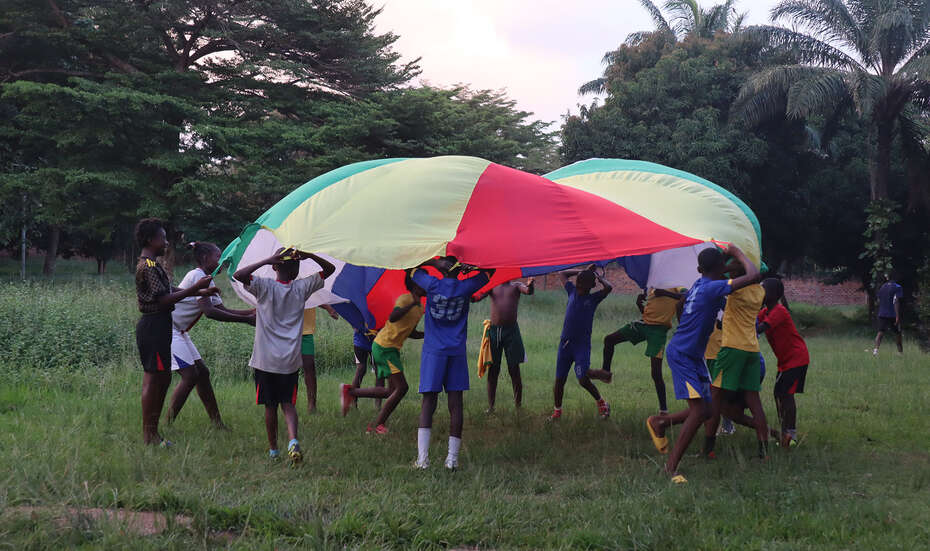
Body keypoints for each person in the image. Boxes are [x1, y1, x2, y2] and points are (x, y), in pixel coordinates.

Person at [645, 245, 760, 483]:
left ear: (700, 269)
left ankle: (660, 422)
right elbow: (753, 276)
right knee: (699, 412)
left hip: (692, 354)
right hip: (682, 354)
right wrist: (737, 252)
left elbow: (682, 302)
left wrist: (723, 256)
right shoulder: (713, 288)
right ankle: (670, 468)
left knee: (708, 410)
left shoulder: (699, 283)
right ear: (720, 269)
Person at [234, 248, 334, 463]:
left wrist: (267, 259)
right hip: (290, 361)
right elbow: (330, 269)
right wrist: (311, 255)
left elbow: (239, 275)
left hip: (265, 360)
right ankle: (293, 440)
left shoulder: (263, 286)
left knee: (270, 406)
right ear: (297, 269)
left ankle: (273, 450)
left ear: (275, 267)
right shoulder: (301, 288)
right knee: (288, 403)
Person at [134, 219, 215, 445]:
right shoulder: (147, 267)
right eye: (163, 238)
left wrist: (199, 290)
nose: (166, 242)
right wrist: (195, 289)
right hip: (153, 326)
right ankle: (149, 434)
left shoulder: (154, 264)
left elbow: (169, 290)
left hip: (160, 326)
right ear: (151, 240)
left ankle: (154, 432)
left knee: (163, 378)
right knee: (153, 379)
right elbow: (164, 299)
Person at [411, 257, 495, 470]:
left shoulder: (431, 283)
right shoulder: (467, 286)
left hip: (433, 351)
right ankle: (452, 460)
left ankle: (422, 459)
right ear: (459, 270)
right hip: (456, 351)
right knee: (455, 404)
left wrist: (432, 262)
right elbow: (490, 269)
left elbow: (408, 267)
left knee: (428, 403)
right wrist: (473, 265)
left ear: (443, 268)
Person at [166, 241, 256, 428]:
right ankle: (167, 423)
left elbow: (222, 309)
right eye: (218, 256)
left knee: (203, 374)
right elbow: (210, 312)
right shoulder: (196, 276)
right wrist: (247, 319)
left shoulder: (207, 279)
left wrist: (252, 312)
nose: (221, 260)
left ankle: (217, 423)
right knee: (190, 376)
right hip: (168, 330)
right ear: (206, 258)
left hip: (180, 331)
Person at [340, 273, 426, 433]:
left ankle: (350, 391)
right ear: (415, 285)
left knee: (390, 391)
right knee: (402, 388)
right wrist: (411, 305)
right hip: (384, 347)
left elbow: (410, 331)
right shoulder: (405, 300)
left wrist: (425, 335)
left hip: (391, 348)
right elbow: (393, 318)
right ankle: (376, 425)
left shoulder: (420, 308)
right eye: (425, 281)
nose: (428, 284)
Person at [701, 260, 768, 461]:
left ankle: (708, 449)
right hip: (752, 350)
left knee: (715, 397)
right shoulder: (759, 292)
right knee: (754, 401)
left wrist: (730, 256)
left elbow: (716, 273)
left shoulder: (736, 289)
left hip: (732, 348)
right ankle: (764, 452)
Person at [602, 287, 685, 413]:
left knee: (656, 373)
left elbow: (688, 295)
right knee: (609, 340)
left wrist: (664, 293)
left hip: (658, 330)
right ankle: (606, 373)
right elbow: (649, 312)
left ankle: (664, 410)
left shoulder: (676, 285)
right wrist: (639, 305)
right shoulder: (653, 285)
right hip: (644, 324)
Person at [549, 266, 613, 422]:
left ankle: (602, 403)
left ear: (591, 286)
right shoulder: (571, 291)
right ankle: (557, 412)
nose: (578, 286)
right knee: (559, 381)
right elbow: (561, 273)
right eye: (578, 282)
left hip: (581, 346)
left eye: (582, 284)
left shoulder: (593, 299)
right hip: (565, 345)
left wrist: (598, 277)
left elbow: (609, 287)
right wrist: (582, 271)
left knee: (583, 378)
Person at [757, 277, 809, 448]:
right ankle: (785, 432)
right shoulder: (764, 312)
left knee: (785, 394)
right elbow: (751, 319)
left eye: (762, 290)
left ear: (772, 294)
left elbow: (760, 328)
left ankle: (790, 435)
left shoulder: (779, 311)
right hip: (785, 361)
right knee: (779, 394)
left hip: (796, 358)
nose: (759, 293)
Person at [472, 277, 535, 412]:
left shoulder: (516, 285)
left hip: (511, 332)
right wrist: (470, 292)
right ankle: (491, 407)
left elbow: (528, 291)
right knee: (493, 369)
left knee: (514, 369)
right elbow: (477, 297)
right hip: (494, 332)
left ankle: (518, 407)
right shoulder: (492, 286)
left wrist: (531, 285)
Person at [301, 304, 339, 413]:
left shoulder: (308, 286)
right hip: (287, 329)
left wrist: (329, 308)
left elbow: (315, 294)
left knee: (310, 367)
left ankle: (312, 405)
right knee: (287, 369)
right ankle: (288, 403)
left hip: (305, 331)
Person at [873, 271, 903, 355]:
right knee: (898, 333)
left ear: (887, 277)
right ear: (895, 277)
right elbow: (896, 300)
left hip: (882, 313)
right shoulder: (898, 287)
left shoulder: (883, 287)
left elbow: (878, 300)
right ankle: (900, 353)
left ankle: (875, 351)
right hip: (892, 314)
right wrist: (897, 315)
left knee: (880, 332)